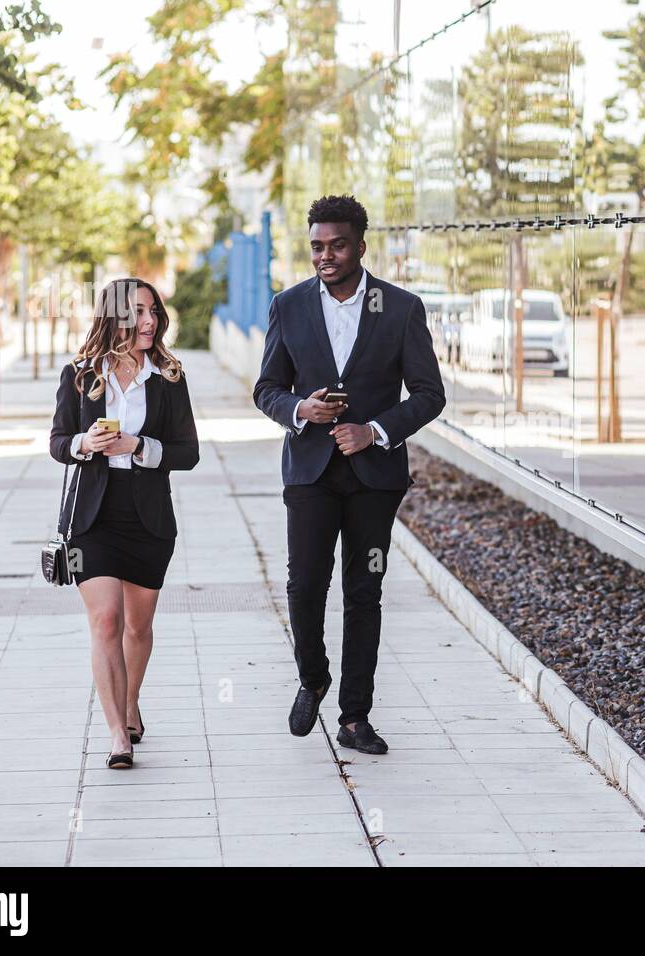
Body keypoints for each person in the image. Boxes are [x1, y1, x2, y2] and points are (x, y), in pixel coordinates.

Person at [253, 194, 445, 754]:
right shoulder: (287, 306)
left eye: (337, 245)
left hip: (373, 480)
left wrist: (375, 430)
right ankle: (313, 677)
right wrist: (300, 410)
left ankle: (354, 717)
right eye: (316, 246)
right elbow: (266, 389)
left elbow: (430, 395)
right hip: (309, 474)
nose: (325, 255)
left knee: (365, 592)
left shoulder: (401, 308)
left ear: (360, 246)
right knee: (304, 586)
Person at [49, 278, 200, 768]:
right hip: (92, 515)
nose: (149, 321)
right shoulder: (80, 374)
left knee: (138, 626)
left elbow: (189, 452)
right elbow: (57, 442)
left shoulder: (170, 376)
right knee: (106, 620)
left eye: (153, 310)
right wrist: (84, 444)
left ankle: (131, 702)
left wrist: (138, 446)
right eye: (137, 311)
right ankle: (117, 734)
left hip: (148, 515)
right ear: (112, 316)